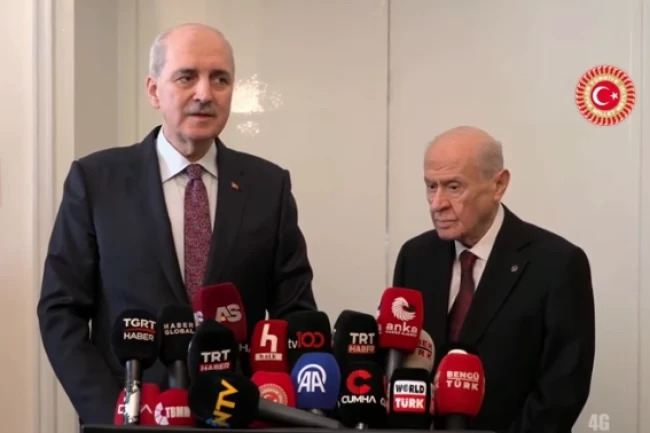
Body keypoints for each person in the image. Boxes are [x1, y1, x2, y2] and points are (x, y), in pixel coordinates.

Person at [37, 23, 317, 425]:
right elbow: (61, 311)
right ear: (154, 91)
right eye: (187, 77)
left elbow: (295, 314)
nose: (204, 93)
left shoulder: (268, 186)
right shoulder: (96, 181)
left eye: (219, 79)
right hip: (131, 418)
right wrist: (114, 414)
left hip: (237, 417)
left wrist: (272, 407)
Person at [393, 126, 595, 432]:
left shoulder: (557, 264)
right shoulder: (415, 256)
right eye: (431, 186)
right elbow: (400, 363)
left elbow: (562, 391)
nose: (436, 203)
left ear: (498, 185)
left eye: (453, 187)